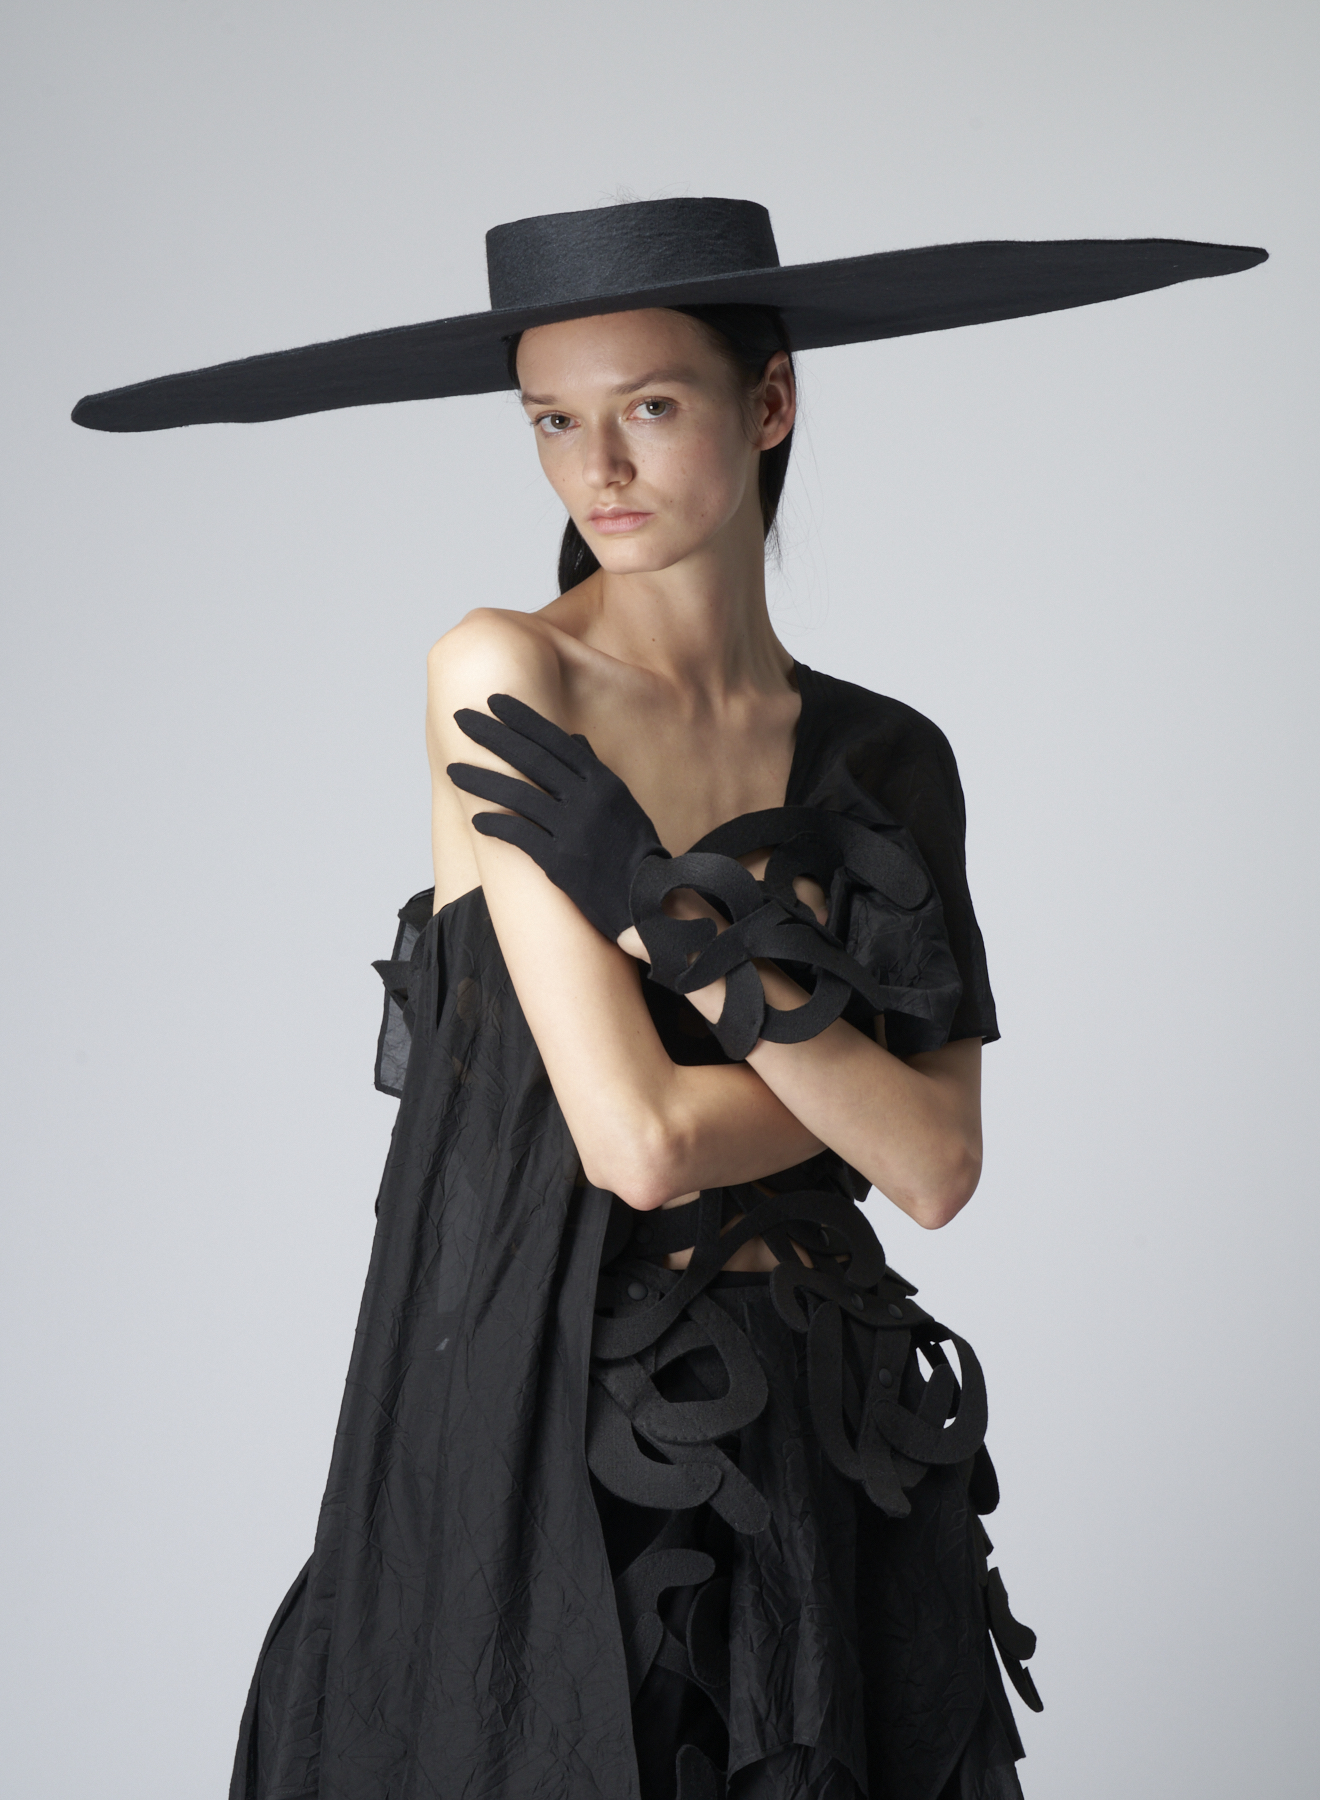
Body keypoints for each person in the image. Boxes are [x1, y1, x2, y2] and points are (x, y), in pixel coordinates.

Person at [73, 197, 1265, 1800]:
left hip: (838, 1430)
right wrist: (858, 1093)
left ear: (769, 403)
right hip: (564, 1433)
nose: (598, 469)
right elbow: (639, 1141)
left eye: (648, 405)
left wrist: (655, 908)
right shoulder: (507, 673)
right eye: (552, 421)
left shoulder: (891, 757)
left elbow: (939, 1171)